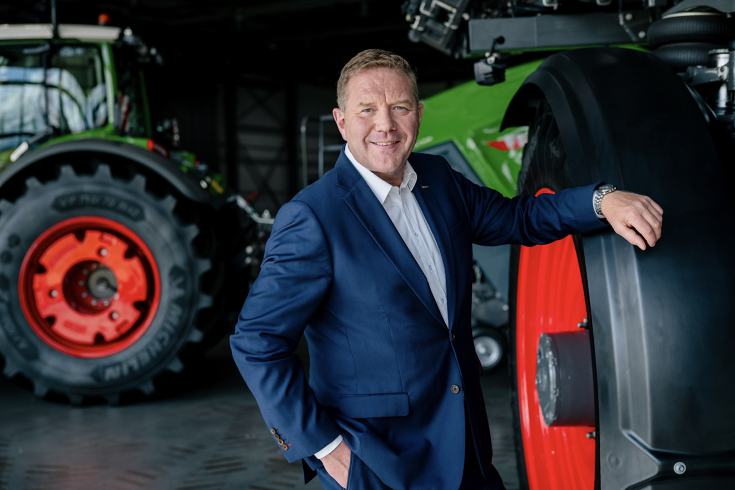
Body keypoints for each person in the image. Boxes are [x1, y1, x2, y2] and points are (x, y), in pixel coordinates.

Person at [230, 49, 663, 490]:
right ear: (342, 122)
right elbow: (256, 341)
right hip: (379, 462)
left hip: (466, 447)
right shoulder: (312, 217)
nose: (386, 124)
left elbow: (519, 218)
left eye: (399, 107)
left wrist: (602, 199)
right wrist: (326, 450)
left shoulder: (438, 177)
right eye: (367, 110)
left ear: (418, 114)